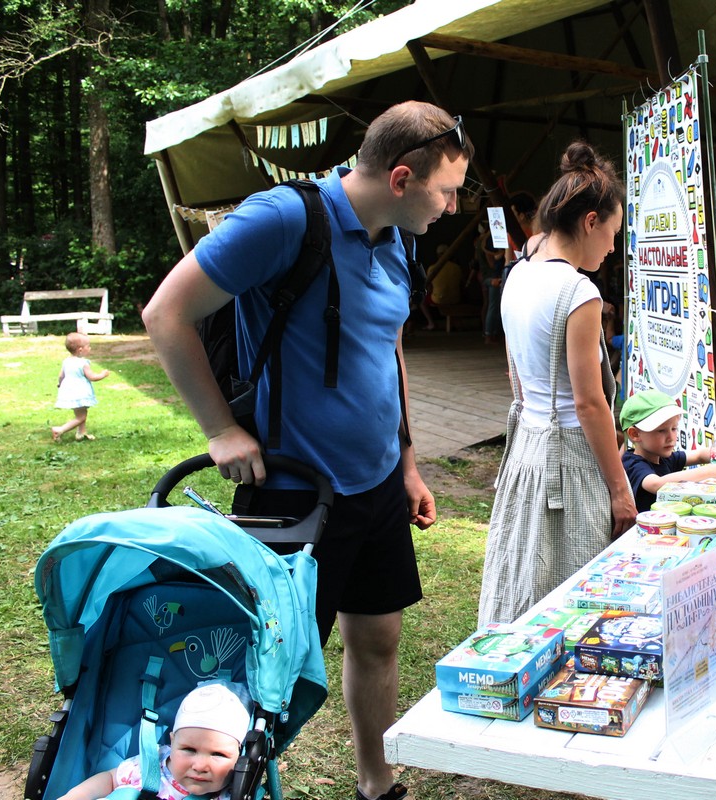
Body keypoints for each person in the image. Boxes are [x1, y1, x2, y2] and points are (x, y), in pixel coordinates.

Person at [142, 100, 473, 800]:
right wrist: (219, 430)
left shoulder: (397, 234)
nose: (452, 207)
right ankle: (211, 785)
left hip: (376, 484)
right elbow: (165, 313)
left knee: (378, 638)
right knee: (271, 666)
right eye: (447, 190)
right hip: (294, 492)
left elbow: (388, 346)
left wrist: (407, 460)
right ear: (405, 176)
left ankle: (376, 785)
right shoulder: (286, 218)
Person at [476, 141, 636, 627]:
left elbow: (515, 372)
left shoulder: (520, 271)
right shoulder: (578, 291)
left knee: (526, 574)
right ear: (590, 221)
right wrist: (619, 488)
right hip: (569, 458)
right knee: (574, 590)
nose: (612, 248)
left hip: (527, 444)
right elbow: (590, 404)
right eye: (612, 233)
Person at [59, 682, 250, 800]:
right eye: (189, 749)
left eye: (218, 754)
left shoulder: (232, 791)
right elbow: (110, 779)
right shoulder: (152, 765)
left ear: (239, 755)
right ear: (172, 741)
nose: (199, 766)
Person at [620, 389, 716, 512]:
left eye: (674, 428)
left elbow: (699, 455)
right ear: (635, 434)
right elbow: (656, 484)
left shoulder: (664, 458)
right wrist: (711, 471)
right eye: (661, 431)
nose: (671, 437)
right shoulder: (633, 464)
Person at [51, 331, 109, 442]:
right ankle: (59, 430)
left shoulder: (66, 361)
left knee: (81, 412)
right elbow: (92, 377)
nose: (90, 348)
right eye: (88, 346)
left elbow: (61, 376)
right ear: (80, 350)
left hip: (70, 391)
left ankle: (81, 433)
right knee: (81, 417)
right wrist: (103, 374)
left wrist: (60, 384)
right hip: (80, 392)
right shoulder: (83, 363)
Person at [418, 244, 466, 329]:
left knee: (421, 301)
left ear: (437, 255)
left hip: (438, 299)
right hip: (456, 299)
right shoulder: (457, 267)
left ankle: (431, 323)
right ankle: (456, 321)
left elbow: (429, 288)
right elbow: (461, 285)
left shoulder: (432, 268)